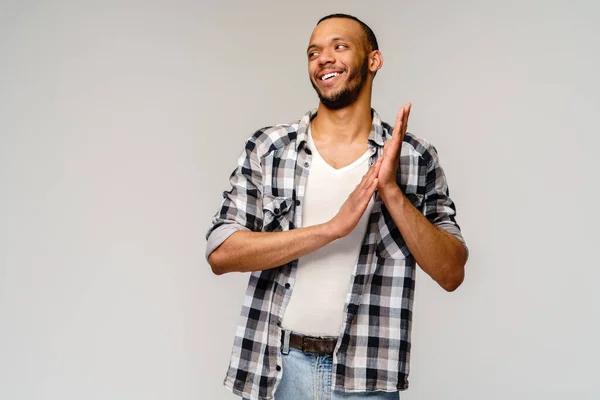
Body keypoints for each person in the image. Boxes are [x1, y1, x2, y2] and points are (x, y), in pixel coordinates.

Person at [205, 13, 469, 400]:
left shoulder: (414, 156)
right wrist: (331, 229)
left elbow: (451, 272)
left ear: (373, 60)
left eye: (339, 46)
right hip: (279, 370)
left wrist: (392, 192)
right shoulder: (271, 148)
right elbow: (221, 252)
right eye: (314, 52)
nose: (323, 58)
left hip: (368, 375)